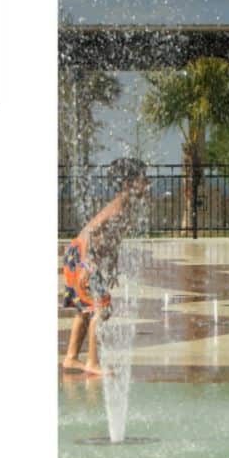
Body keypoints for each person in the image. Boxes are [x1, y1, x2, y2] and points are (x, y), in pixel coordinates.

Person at [61, 158, 149, 375]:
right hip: (83, 256)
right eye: (142, 179)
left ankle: (71, 358)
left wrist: (113, 263)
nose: (147, 183)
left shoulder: (127, 207)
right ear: (128, 183)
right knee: (102, 309)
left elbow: (112, 238)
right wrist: (87, 265)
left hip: (80, 255)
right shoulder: (118, 207)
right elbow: (92, 231)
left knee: (85, 310)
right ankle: (93, 362)